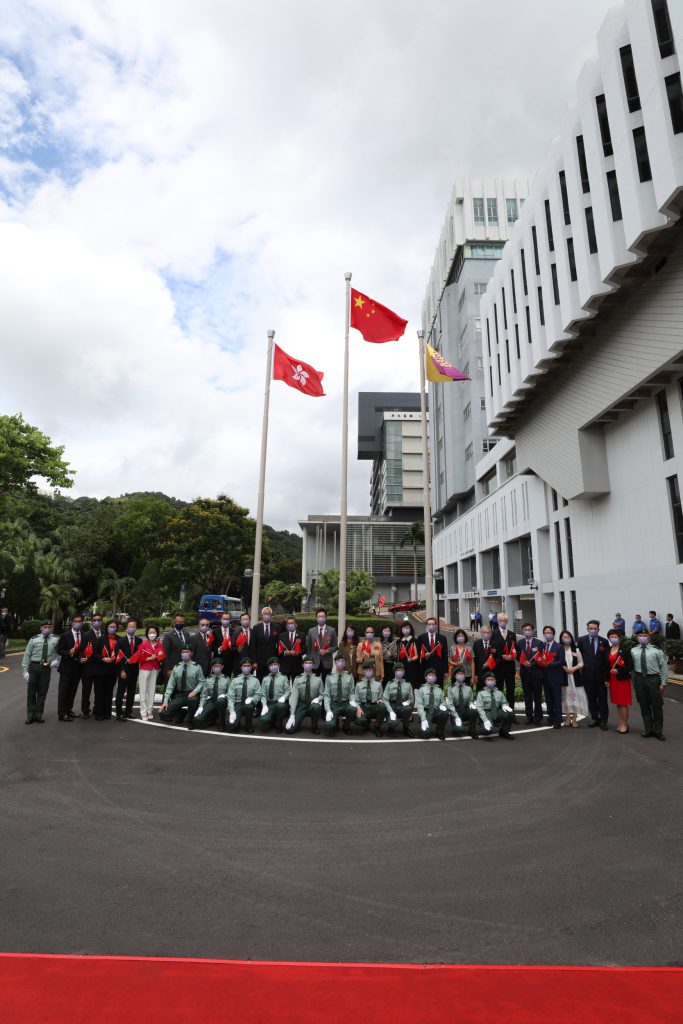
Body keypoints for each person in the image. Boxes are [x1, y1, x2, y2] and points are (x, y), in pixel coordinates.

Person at [631, 630, 668, 740]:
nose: (642, 637)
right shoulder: (633, 650)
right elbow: (632, 668)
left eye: (644, 635)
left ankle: (658, 731)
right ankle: (648, 729)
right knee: (644, 705)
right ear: (637, 637)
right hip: (639, 679)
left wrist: (663, 683)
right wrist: (634, 680)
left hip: (653, 679)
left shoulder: (657, 651)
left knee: (656, 707)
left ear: (649, 637)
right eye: (640, 636)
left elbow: (663, 668)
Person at [21, 619, 59, 724]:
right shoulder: (34, 639)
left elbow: (59, 651)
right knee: (31, 692)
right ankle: (30, 714)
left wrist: (57, 660)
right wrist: (25, 671)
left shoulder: (56, 639)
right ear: (41, 628)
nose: (47, 629)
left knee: (42, 691)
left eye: (49, 627)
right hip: (34, 666)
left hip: (46, 667)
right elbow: (27, 655)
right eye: (45, 627)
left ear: (52, 628)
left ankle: (38, 714)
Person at [577, 620, 610, 730]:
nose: (593, 630)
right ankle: (595, 718)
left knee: (602, 699)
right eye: (591, 628)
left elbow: (606, 661)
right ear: (587, 629)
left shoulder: (604, 642)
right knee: (591, 699)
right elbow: (578, 656)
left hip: (601, 676)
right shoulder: (581, 640)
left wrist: (607, 677)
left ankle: (603, 720)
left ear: (598, 629)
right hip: (587, 675)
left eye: (595, 628)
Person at [159, 646, 205, 725]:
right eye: (183, 652)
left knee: (192, 700)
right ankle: (181, 713)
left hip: (192, 694)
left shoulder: (197, 667)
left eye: (187, 652)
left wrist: (195, 691)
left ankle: (190, 720)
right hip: (180, 695)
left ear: (191, 653)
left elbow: (202, 682)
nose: (184, 654)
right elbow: (170, 685)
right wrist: (165, 701)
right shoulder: (176, 668)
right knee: (163, 713)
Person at [135, 624, 167, 721]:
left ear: (157, 633)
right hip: (144, 668)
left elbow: (162, 656)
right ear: (147, 634)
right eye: (150, 632)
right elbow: (139, 658)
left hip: (155, 668)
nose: (152, 634)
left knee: (151, 691)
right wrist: (150, 658)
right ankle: (143, 711)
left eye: (154, 632)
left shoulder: (159, 644)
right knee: (143, 691)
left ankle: (150, 710)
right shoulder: (143, 644)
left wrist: (158, 657)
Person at [347, 659, 387, 736]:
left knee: (382, 706)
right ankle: (366, 723)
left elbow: (381, 697)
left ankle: (377, 727)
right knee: (359, 721)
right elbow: (356, 700)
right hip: (363, 707)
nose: (368, 671)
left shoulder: (378, 684)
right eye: (366, 670)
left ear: (373, 671)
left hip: (374, 706)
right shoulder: (359, 684)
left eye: (370, 670)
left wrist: (380, 700)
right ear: (363, 671)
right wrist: (358, 708)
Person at [56, 613, 84, 721]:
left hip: (77, 667)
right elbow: (59, 650)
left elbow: (83, 650)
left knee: (73, 690)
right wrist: (69, 652)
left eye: (79, 621)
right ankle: (62, 713)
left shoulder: (83, 635)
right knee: (64, 690)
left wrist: (82, 657)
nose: (77, 623)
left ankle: (69, 710)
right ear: (71, 622)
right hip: (66, 667)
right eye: (75, 621)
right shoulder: (65, 635)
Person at [287, 655, 324, 734]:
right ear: (302, 665)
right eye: (306, 663)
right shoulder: (297, 679)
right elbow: (294, 697)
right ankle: (297, 721)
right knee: (289, 730)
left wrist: (318, 699)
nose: (308, 664)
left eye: (310, 663)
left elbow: (322, 694)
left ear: (313, 665)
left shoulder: (318, 679)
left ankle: (314, 725)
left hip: (312, 704)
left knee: (316, 707)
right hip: (301, 705)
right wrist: (292, 714)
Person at [188, 656, 228, 730]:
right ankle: (212, 717)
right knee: (197, 720)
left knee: (221, 702)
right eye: (214, 666)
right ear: (211, 668)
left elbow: (231, 694)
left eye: (218, 666)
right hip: (212, 701)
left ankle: (221, 723)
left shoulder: (227, 679)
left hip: (222, 702)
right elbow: (204, 695)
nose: (216, 668)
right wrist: (201, 706)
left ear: (222, 667)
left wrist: (225, 695)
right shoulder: (208, 680)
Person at [606, 629, 634, 734]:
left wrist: (618, 670)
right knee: (618, 703)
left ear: (619, 638)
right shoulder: (608, 650)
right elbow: (606, 666)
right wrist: (606, 679)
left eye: (615, 637)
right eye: (611, 637)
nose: (613, 639)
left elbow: (630, 666)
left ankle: (625, 724)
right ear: (609, 638)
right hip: (612, 680)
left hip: (622, 679)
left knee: (623, 703)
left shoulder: (625, 650)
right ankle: (621, 722)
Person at [94, 619, 121, 720]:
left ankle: (107, 712)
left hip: (113, 670)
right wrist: (103, 658)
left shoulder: (119, 639)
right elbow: (95, 654)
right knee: (99, 692)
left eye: (114, 627)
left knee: (109, 692)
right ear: (107, 628)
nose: (112, 629)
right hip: (101, 669)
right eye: (111, 627)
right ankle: (98, 713)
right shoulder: (101, 639)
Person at [559, 629, 587, 728]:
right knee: (565, 699)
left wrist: (573, 669)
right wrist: (565, 669)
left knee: (576, 698)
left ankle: (574, 719)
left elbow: (581, 663)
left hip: (575, 677)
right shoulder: (559, 649)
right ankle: (567, 718)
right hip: (563, 677)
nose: (566, 639)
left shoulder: (576, 650)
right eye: (564, 637)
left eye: (568, 637)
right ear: (561, 639)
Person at [518, 622, 545, 725]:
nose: (527, 632)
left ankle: (538, 718)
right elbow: (517, 656)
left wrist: (532, 664)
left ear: (533, 630)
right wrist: (523, 662)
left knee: (537, 697)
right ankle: (529, 717)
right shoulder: (520, 643)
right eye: (525, 630)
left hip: (536, 674)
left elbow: (541, 657)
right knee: (527, 697)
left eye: (529, 630)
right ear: (522, 631)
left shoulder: (539, 643)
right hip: (525, 674)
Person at [115, 619, 142, 721]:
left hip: (134, 670)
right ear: (127, 628)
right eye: (130, 626)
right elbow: (119, 657)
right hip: (124, 671)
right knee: (121, 692)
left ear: (136, 628)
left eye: (133, 626)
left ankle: (128, 711)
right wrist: (122, 671)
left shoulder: (139, 641)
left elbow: (140, 655)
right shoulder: (121, 641)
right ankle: (119, 713)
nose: (131, 628)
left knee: (131, 692)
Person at [323, 653, 356, 735]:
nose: (340, 663)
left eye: (342, 661)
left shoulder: (349, 676)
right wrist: (328, 710)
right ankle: (335, 721)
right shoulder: (329, 677)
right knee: (329, 726)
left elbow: (352, 692)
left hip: (345, 703)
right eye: (338, 661)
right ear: (335, 663)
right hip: (334, 704)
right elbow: (326, 695)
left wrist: (352, 701)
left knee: (353, 709)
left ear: (345, 663)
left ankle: (346, 726)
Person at [79, 613, 105, 718]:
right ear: (91, 621)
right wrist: (80, 658)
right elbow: (81, 650)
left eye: (99, 620)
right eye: (94, 620)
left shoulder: (104, 635)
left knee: (99, 692)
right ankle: (85, 711)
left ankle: (97, 711)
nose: (97, 622)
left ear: (101, 622)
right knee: (86, 691)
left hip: (100, 668)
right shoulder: (86, 635)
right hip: (88, 668)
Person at [226, 656, 261, 732]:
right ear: (241, 667)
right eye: (244, 666)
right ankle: (236, 722)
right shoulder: (235, 680)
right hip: (238, 704)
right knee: (231, 727)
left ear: (251, 667)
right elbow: (230, 697)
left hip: (249, 704)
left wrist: (252, 699)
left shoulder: (255, 680)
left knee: (249, 707)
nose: (246, 667)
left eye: (248, 666)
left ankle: (248, 725)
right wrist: (231, 711)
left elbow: (258, 694)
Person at [475, 672, 514, 739]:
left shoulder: (499, 692)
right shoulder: (481, 693)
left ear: (495, 681)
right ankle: (483, 725)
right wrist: (485, 720)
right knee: (487, 732)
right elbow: (479, 708)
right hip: (486, 713)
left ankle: (504, 731)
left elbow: (504, 702)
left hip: (496, 711)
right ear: (485, 681)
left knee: (510, 713)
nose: (490, 681)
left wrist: (504, 705)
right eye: (488, 680)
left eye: (492, 679)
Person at [539, 625, 564, 728]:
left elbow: (561, 661)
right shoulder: (542, 645)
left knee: (556, 699)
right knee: (548, 699)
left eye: (549, 632)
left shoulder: (559, 647)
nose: (547, 634)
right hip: (545, 677)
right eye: (546, 632)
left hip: (555, 677)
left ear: (553, 634)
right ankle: (550, 717)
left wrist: (549, 664)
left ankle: (558, 719)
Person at [259, 655, 291, 733]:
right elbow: (262, 694)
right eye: (271, 665)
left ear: (279, 666)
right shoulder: (265, 679)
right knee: (263, 720)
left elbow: (288, 691)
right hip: (269, 704)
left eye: (275, 664)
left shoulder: (283, 677)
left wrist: (284, 697)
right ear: (268, 667)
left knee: (280, 706)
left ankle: (279, 725)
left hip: (280, 703)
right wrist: (264, 705)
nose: (273, 666)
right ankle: (273, 719)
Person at [414, 669, 449, 740]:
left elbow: (443, 701)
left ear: (436, 678)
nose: (431, 677)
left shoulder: (439, 689)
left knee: (444, 713)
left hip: (436, 711)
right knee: (425, 734)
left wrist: (443, 705)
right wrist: (423, 718)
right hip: (426, 711)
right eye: (429, 675)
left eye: (433, 675)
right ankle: (422, 721)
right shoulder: (421, 689)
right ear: (425, 677)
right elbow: (419, 705)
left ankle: (440, 731)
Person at [382, 664, 415, 737]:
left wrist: (407, 702)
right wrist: (390, 711)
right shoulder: (390, 683)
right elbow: (385, 699)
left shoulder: (408, 684)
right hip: (392, 705)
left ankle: (406, 728)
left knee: (408, 708)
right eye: (398, 670)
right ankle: (391, 726)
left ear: (404, 672)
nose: (400, 672)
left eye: (402, 670)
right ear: (394, 672)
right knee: (393, 723)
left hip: (402, 705)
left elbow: (411, 699)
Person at [494, 613, 518, 710]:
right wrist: (501, 656)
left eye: (505, 621)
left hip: (510, 666)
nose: (503, 622)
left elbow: (515, 649)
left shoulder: (512, 634)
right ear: (498, 622)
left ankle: (511, 711)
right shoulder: (493, 634)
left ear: (507, 622)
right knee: (499, 688)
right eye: (501, 621)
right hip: (499, 666)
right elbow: (492, 650)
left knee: (511, 689)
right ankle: (499, 711)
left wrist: (512, 656)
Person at [415, 617, 449, 686]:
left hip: (438, 669)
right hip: (425, 668)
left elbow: (445, 655)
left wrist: (446, 671)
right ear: (426, 626)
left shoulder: (442, 638)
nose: (431, 626)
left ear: (436, 625)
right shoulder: (421, 638)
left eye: (433, 624)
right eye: (429, 624)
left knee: (438, 688)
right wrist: (424, 655)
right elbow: (418, 653)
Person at [306, 609, 337, 682]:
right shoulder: (311, 631)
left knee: (326, 684)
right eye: (319, 616)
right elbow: (308, 649)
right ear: (316, 618)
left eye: (323, 616)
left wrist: (327, 651)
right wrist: (308, 662)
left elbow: (335, 647)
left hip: (327, 663)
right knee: (314, 684)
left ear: (326, 618)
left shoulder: (332, 630)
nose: (321, 618)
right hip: (314, 663)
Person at [446, 668, 478, 739]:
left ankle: (472, 731)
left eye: (462, 674)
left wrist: (471, 704)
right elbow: (450, 705)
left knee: (474, 711)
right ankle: (456, 726)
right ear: (455, 676)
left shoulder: (468, 688)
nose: (461, 675)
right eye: (458, 674)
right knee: (459, 730)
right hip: (456, 710)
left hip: (465, 709)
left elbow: (470, 700)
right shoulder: (451, 689)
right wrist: (456, 716)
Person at [251, 606, 281, 679]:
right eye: (265, 614)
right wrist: (254, 661)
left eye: (268, 614)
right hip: (259, 661)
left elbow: (279, 644)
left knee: (272, 680)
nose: (266, 616)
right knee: (260, 680)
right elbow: (253, 645)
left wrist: (278, 659)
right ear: (262, 615)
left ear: (271, 615)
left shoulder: (276, 627)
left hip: (272, 660)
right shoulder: (256, 628)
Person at [472, 624, 501, 691]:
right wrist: (475, 675)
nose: (486, 634)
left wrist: (490, 663)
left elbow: (499, 659)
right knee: (480, 692)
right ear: (481, 633)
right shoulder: (476, 644)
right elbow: (474, 660)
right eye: (484, 632)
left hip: (492, 674)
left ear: (491, 634)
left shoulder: (496, 644)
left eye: (488, 632)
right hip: (480, 674)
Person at [162, 612, 191, 680]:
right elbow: (165, 653)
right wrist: (168, 669)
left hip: (185, 666)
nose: (180, 623)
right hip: (172, 668)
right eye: (178, 622)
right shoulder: (168, 636)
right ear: (174, 622)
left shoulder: (187, 634)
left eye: (182, 622)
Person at [278, 615, 305, 680]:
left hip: (297, 666)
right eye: (289, 623)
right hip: (285, 666)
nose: (290, 625)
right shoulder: (281, 635)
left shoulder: (302, 635)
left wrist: (297, 653)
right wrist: (284, 653)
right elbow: (278, 649)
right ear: (286, 625)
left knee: (297, 688)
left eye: (292, 623)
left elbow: (305, 649)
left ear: (296, 625)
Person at [395, 620, 420, 688]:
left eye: (408, 628)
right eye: (404, 628)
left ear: (410, 629)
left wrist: (411, 659)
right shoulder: (399, 641)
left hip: (412, 667)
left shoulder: (414, 641)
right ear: (401, 629)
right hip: (401, 667)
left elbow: (417, 656)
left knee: (412, 686)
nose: (406, 630)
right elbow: (397, 656)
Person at [212, 611, 235, 679]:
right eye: (224, 619)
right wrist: (218, 649)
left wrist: (231, 646)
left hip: (229, 662)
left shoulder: (233, 632)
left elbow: (235, 647)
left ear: (230, 620)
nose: (226, 620)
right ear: (221, 619)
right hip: (217, 661)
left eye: (227, 619)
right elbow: (212, 646)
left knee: (227, 680)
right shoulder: (215, 631)